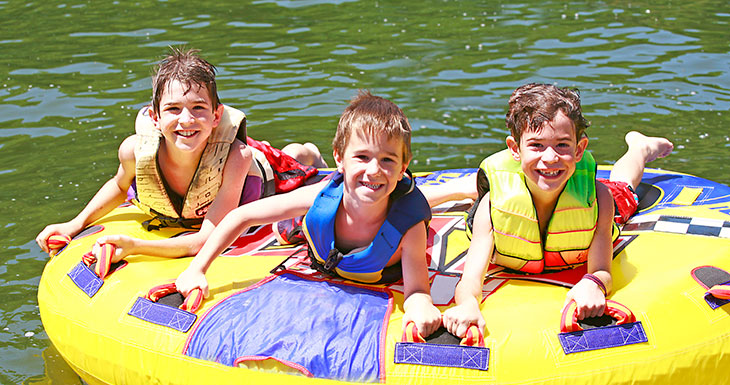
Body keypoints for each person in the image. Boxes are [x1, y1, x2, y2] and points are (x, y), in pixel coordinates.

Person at [175, 90, 442, 337]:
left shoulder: (409, 227)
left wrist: (421, 306)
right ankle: (308, 155)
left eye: (387, 160)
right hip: (315, 238)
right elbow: (241, 216)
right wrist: (197, 269)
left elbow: (417, 289)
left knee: (408, 199)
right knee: (286, 226)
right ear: (340, 157)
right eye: (362, 157)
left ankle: (454, 189)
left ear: (403, 166)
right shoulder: (321, 198)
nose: (373, 169)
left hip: (377, 256)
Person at [35, 47, 326, 260]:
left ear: (216, 116)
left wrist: (136, 246)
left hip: (263, 177)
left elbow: (205, 240)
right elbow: (119, 184)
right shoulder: (134, 152)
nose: (186, 120)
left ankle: (310, 151)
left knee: (296, 158)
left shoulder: (237, 158)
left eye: (198, 108)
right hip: (210, 163)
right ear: (154, 118)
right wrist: (74, 224)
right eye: (173, 109)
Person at [442, 83, 674, 338]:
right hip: (515, 190)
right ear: (515, 149)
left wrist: (593, 284)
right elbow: (471, 280)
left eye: (562, 145)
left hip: (580, 193)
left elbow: (602, 270)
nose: (550, 157)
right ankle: (464, 187)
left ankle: (639, 149)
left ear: (579, 150)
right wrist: (467, 305)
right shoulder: (492, 206)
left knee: (624, 188)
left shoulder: (599, 199)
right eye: (537, 145)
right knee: (488, 191)